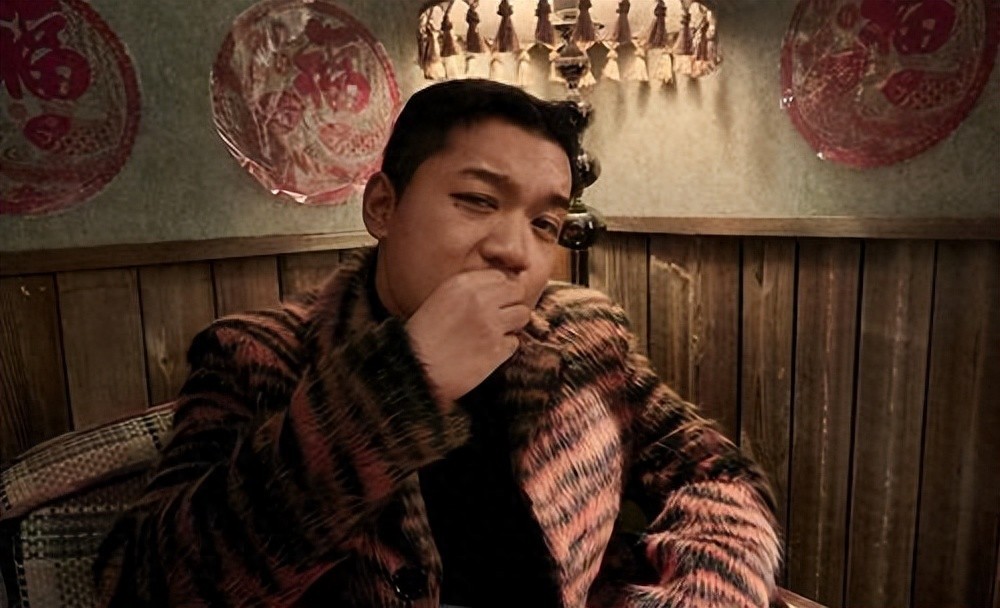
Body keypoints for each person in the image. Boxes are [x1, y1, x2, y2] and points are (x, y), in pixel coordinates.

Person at [95, 79, 781, 608]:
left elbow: (719, 478)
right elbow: (141, 586)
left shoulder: (584, 337)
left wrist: (702, 594)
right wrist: (397, 386)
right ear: (383, 207)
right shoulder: (260, 354)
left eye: (545, 223)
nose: (515, 251)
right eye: (478, 200)